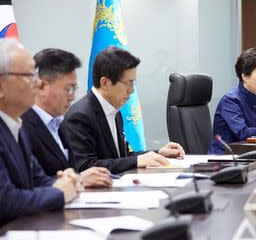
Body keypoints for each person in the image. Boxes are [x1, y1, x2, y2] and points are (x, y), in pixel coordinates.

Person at [62, 46, 185, 174]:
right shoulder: (80, 116)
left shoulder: (115, 110)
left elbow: (123, 155)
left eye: (133, 84)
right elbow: (85, 167)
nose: (131, 90)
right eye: (129, 83)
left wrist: (158, 153)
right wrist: (137, 161)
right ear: (105, 83)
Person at [0, 38, 80, 226]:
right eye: (29, 76)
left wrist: (68, 180)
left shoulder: (16, 125)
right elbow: (5, 201)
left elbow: (39, 179)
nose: (37, 84)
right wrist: (59, 193)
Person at [22, 49, 112, 188]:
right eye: (68, 89)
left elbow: (69, 170)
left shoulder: (59, 123)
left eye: (74, 89)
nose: (72, 96)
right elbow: (28, 183)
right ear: (42, 86)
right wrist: (79, 179)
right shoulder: (22, 125)